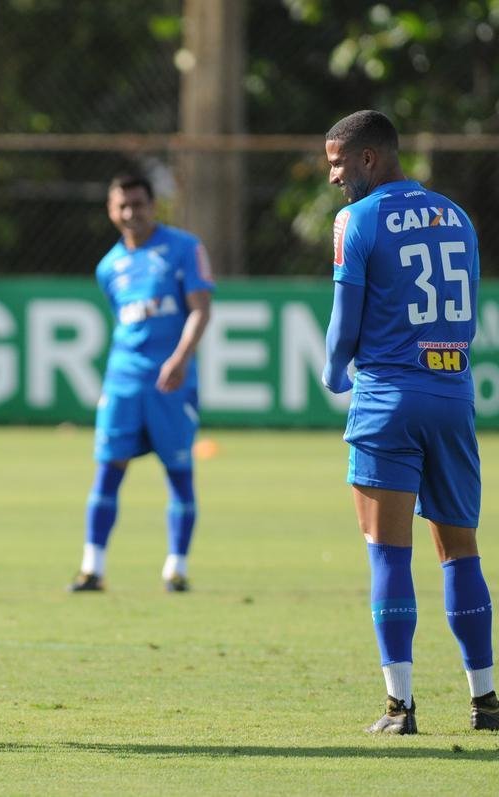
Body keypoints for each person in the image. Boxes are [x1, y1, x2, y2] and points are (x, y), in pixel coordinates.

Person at [321, 109, 497, 734]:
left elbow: (346, 321)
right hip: (452, 397)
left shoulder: (357, 220)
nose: (334, 177)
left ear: (370, 158)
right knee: (461, 554)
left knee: (387, 553)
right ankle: (486, 701)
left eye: (339, 163)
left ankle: (401, 707)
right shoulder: (458, 215)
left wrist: (335, 369)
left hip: (388, 400)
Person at [69, 173, 214, 594]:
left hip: (172, 380)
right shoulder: (108, 267)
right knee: (108, 470)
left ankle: (176, 568)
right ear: (112, 212)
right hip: (123, 381)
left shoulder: (185, 248)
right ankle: (92, 568)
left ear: (153, 205)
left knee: (179, 472)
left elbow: (200, 310)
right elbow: (123, 321)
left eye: (139, 204)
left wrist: (180, 358)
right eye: (123, 206)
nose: (131, 213)